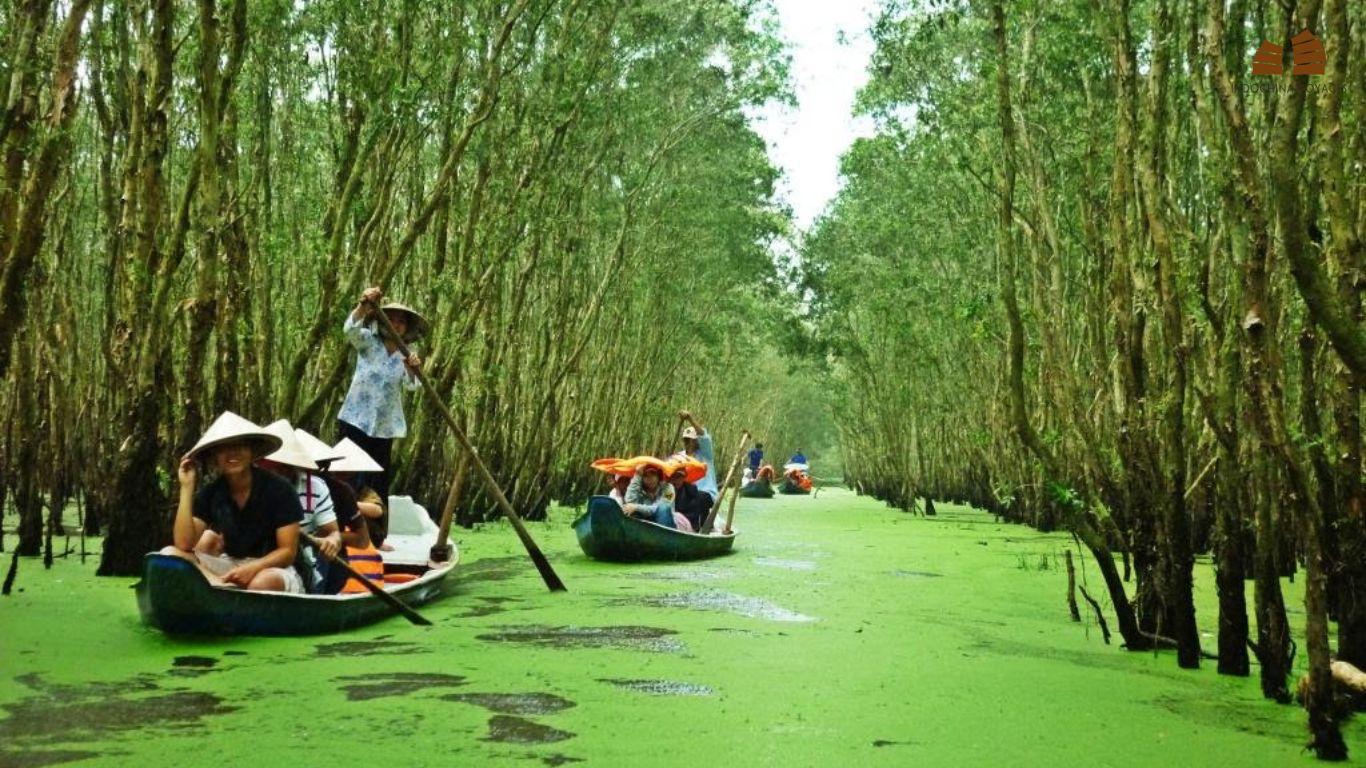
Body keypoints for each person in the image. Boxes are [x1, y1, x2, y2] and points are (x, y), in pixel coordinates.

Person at [161, 411, 306, 593]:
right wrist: (186, 487)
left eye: (240, 446)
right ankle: (219, 586)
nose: (232, 453)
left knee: (261, 584)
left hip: (274, 569)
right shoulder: (212, 492)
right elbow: (183, 544)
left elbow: (287, 552)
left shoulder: (280, 488)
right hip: (230, 566)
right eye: (224, 448)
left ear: (251, 452)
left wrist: (254, 568)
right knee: (169, 554)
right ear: (215, 457)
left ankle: (218, 590)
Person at [336, 285, 427, 512]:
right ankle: (342, 524)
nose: (395, 324)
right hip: (355, 419)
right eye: (391, 319)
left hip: (384, 426)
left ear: (406, 328)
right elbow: (349, 330)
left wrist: (413, 369)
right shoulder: (369, 342)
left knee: (378, 477)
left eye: (400, 321)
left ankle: (377, 534)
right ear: (381, 320)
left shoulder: (407, 354)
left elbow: (412, 386)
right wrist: (363, 304)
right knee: (348, 473)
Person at [257, 420, 339, 594]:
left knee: (266, 581)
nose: (276, 473)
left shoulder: (315, 487)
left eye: (282, 466)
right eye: (269, 466)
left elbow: (333, 532)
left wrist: (332, 541)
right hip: (249, 557)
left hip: (297, 564)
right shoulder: (245, 485)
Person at [294, 428, 377, 594]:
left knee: (318, 555)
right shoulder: (267, 486)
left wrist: (322, 539)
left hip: (329, 564)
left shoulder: (340, 490)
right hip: (285, 558)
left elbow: (362, 540)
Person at [675, 411, 717, 503]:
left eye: (693, 440)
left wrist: (690, 419)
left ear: (697, 441)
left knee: (698, 498)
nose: (690, 443)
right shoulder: (679, 456)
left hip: (705, 492)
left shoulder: (706, 453)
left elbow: (703, 436)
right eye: (687, 440)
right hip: (685, 493)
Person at [623, 458, 676, 528]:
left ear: (658, 476)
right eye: (645, 475)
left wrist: (637, 507)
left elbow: (659, 508)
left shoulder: (669, 488)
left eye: (653, 474)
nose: (650, 478)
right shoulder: (639, 489)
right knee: (631, 510)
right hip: (646, 523)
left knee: (663, 508)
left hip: (666, 523)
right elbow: (629, 501)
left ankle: (666, 537)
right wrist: (638, 475)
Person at [669, 462, 713, 533]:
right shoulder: (667, 489)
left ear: (684, 477)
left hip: (689, 523)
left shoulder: (691, 491)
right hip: (675, 519)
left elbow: (694, 513)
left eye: (680, 477)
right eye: (674, 476)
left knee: (704, 497)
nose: (677, 480)